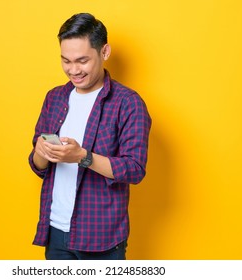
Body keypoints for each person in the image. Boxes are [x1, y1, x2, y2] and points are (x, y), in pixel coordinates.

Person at [28, 13, 151, 260]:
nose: (73, 70)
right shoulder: (55, 98)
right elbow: (37, 165)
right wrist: (42, 152)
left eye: (82, 61)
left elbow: (135, 169)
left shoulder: (128, 103)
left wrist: (83, 157)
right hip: (55, 232)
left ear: (104, 52)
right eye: (66, 61)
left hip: (102, 238)